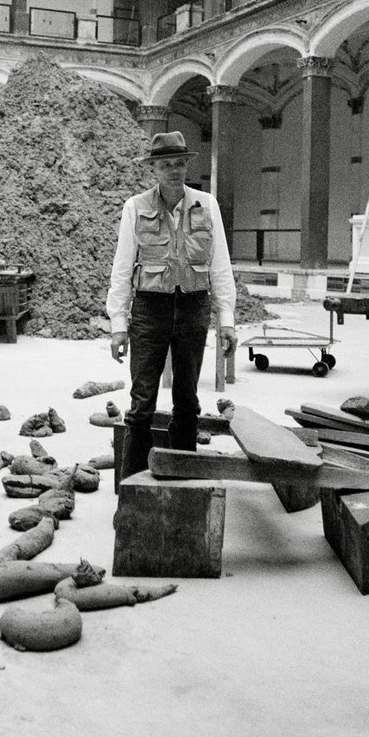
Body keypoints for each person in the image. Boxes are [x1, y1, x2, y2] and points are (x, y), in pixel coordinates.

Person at [106, 130, 237, 482]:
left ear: (186, 166)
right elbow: (122, 268)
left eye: (179, 163)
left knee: (187, 401)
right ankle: (134, 486)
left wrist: (226, 319)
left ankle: (183, 483)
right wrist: (118, 325)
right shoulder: (135, 207)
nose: (174, 170)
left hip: (194, 307)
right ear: (153, 169)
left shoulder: (207, 205)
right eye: (166, 165)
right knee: (142, 402)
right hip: (150, 309)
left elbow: (220, 264)